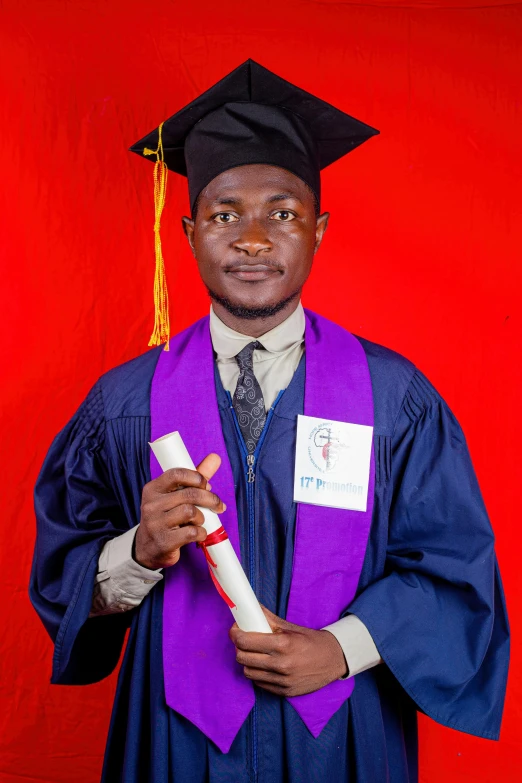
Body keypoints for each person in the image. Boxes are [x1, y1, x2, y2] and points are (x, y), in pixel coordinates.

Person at [30, 59, 509, 783]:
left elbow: (454, 572)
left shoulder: (393, 398)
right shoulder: (123, 404)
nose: (253, 237)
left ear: (318, 229)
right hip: (176, 741)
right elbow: (62, 577)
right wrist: (139, 548)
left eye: (281, 213)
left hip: (341, 735)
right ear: (190, 231)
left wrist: (342, 647)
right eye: (225, 214)